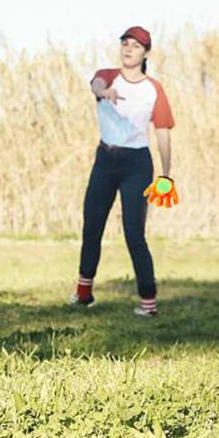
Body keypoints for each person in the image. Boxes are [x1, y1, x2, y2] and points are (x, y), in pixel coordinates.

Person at [69, 26, 175, 317]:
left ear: (145, 53)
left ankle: (148, 303)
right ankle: (83, 292)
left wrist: (166, 175)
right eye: (125, 44)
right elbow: (95, 86)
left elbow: (163, 132)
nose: (129, 49)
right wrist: (104, 92)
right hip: (105, 161)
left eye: (136, 46)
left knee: (134, 233)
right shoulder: (107, 75)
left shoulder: (154, 89)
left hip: (136, 165)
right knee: (92, 226)